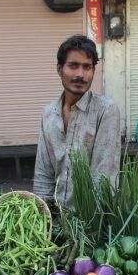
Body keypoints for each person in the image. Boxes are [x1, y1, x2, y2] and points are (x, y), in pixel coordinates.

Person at [33, 35, 121, 209]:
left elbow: (103, 177)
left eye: (87, 67)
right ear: (59, 69)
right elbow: (43, 174)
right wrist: (41, 217)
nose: (80, 74)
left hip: (91, 220)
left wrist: (86, 228)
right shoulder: (49, 113)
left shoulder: (105, 110)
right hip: (56, 219)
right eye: (73, 66)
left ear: (93, 71)